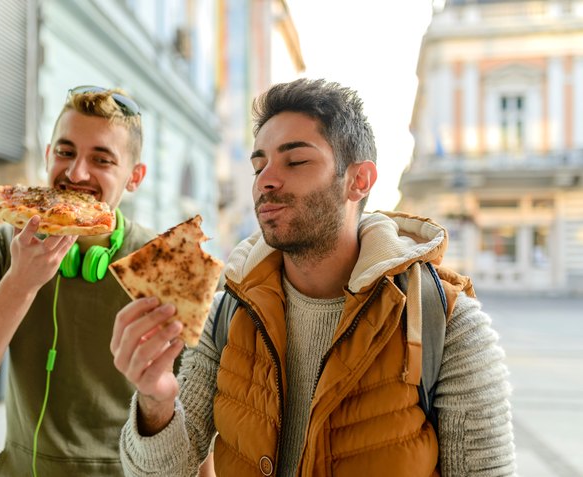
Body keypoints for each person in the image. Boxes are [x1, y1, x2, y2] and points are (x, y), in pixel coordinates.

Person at [110, 78, 516, 476]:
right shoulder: (226, 313)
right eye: (258, 165)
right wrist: (156, 400)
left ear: (359, 180)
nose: (266, 179)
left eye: (296, 160)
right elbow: (162, 472)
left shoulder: (446, 324)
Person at [0, 86, 156, 476]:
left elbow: (194, 418)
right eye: (65, 152)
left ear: (134, 177)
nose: (76, 173)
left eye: (101, 159)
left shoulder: (161, 258)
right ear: (50, 154)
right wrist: (20, 283)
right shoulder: (7, 244)